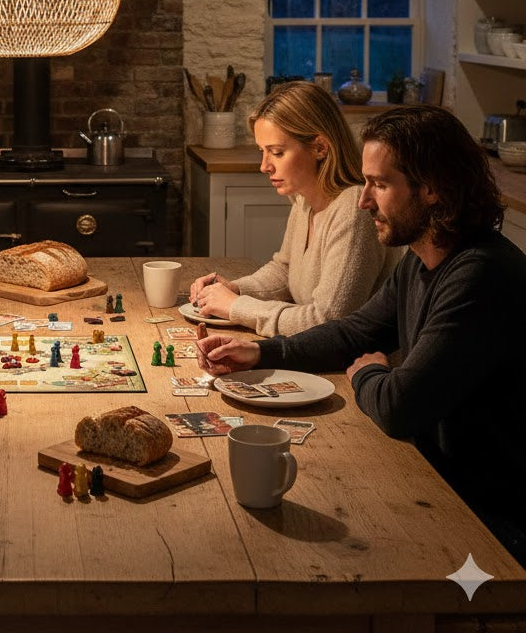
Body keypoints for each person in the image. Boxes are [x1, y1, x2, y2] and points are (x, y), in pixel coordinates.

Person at [199, 105, 526, 565]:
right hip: (436, 479)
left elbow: (398, 407)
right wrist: (260, 351)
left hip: (492, 522)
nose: (363, 200)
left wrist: (369, 375)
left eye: (381, 184)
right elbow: (355, 331)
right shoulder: (423, 256)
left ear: (433, 189)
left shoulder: (480, 275)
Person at [189, 81, 402, 335]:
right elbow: (286, 269)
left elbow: (327, 322)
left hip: (353, 369)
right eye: (262, 151)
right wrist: (236, 289)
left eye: (277, 152)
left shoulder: (353, 210)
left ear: (320, 148)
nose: (264, 166)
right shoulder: (304, 200)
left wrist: (236, 306)